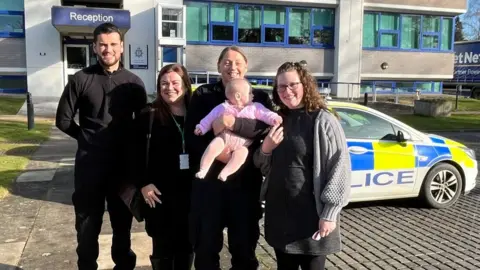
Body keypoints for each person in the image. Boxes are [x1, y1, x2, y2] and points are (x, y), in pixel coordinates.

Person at [55, 23, 147, 270]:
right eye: (103, 44)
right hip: (90, 167)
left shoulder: (134, 83)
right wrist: (86, 138)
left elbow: (142, 127)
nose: (108, 49)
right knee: (87, 226)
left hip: (123, 168)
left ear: (122, 47)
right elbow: (63, 120)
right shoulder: (81, 79)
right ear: (95, 47)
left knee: (122, 228)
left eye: (113, 44)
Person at [253, 62, 352, 270]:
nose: (287, 91)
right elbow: (261, 165)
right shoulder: (277, 120)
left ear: (305, 84)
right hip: (279, 216)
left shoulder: (323, 120)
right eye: (281, 86)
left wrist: (329, 214)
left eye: (292, 84)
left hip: (311, 218)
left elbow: (339, 168)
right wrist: (266, 149)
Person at [185, 46, 273, 270]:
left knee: (244, 249)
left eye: (237, 62)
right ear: (218, 66)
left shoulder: (260, 97)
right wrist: (223, 152)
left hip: (245, 186)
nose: (232, 67)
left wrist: (232, 124)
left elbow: (264, 131)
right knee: (205, 248)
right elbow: (193, 136)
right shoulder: (203, 95)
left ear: (246, 67)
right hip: (209, 187)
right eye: (226, 62)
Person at [130, 64, 194, 269]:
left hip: (191, 195)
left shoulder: (197, 114)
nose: (170, 87)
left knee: (187, 248)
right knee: (163, 250)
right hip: (159, 195)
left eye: (175, 82)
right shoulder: (148, 114)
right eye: (164, 83)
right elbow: (133, 154)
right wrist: (143, 183)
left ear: (185, 85)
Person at [194, 78, 282, 181]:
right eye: (250, 93)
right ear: (238, 96)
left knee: (242, 155)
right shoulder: (223, 107)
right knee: (213, 146)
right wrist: (201, 127)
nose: (253, 95)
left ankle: (225, 173)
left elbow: (266, 114)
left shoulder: (255, 107)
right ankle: (203, 169)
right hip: (224, 138)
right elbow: (210, 118)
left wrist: (274, 118)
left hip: (242, 144)